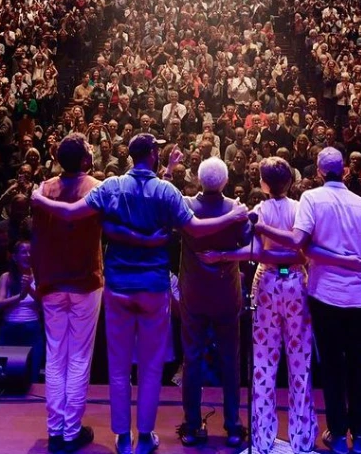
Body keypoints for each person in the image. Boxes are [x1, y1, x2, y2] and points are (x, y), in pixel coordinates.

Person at [31, 133, 247, 454]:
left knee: (118, 368)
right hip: (153, 289)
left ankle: (122, 437)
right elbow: (196, 228)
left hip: (118, 287)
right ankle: (144, 437)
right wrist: (232, 216)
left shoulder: (112, 185)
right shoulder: (165, 190)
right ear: (153, 154)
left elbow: (73, 213)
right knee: (150, 367)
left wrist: (41, 199)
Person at [254, 147, 361, 454]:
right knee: (358, 368)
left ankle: (336, 437)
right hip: (359, 296)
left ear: (321, 172)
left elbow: (298, 242)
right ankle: (359, 437)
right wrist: (359, 271)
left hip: (324, 295)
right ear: (345, 171)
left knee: (332, 368)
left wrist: (260, 226)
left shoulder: (311, 198)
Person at [32, 134, 104, 453]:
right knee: (78, 357)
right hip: (85, 282)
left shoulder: (43, 189)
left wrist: (38, 277)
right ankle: (71, 431)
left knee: (55, 355)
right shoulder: (95, 187)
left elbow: (36, 237)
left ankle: (54, 429)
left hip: (51, 281)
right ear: (85, 160)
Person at [172, 157, 248, 448]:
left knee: (192, 359)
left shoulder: (187, 206)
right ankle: (232, 426)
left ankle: (192, 427)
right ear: (226, 181)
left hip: (194, 294)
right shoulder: (235, 209)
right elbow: (246, 241)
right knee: (231, 359)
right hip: (226, 293)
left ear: (199, 180)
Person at [0, 240, 44, 384]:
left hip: (32, 328)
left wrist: (29, 289)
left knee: (32, 372)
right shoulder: (6, 277)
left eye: (31, 252)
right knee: (6, 373)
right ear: (15, 256)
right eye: (24, 252)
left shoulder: (39, 276)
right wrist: (20, 296)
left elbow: (44, 304)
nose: (28, 255)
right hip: (10, 328)